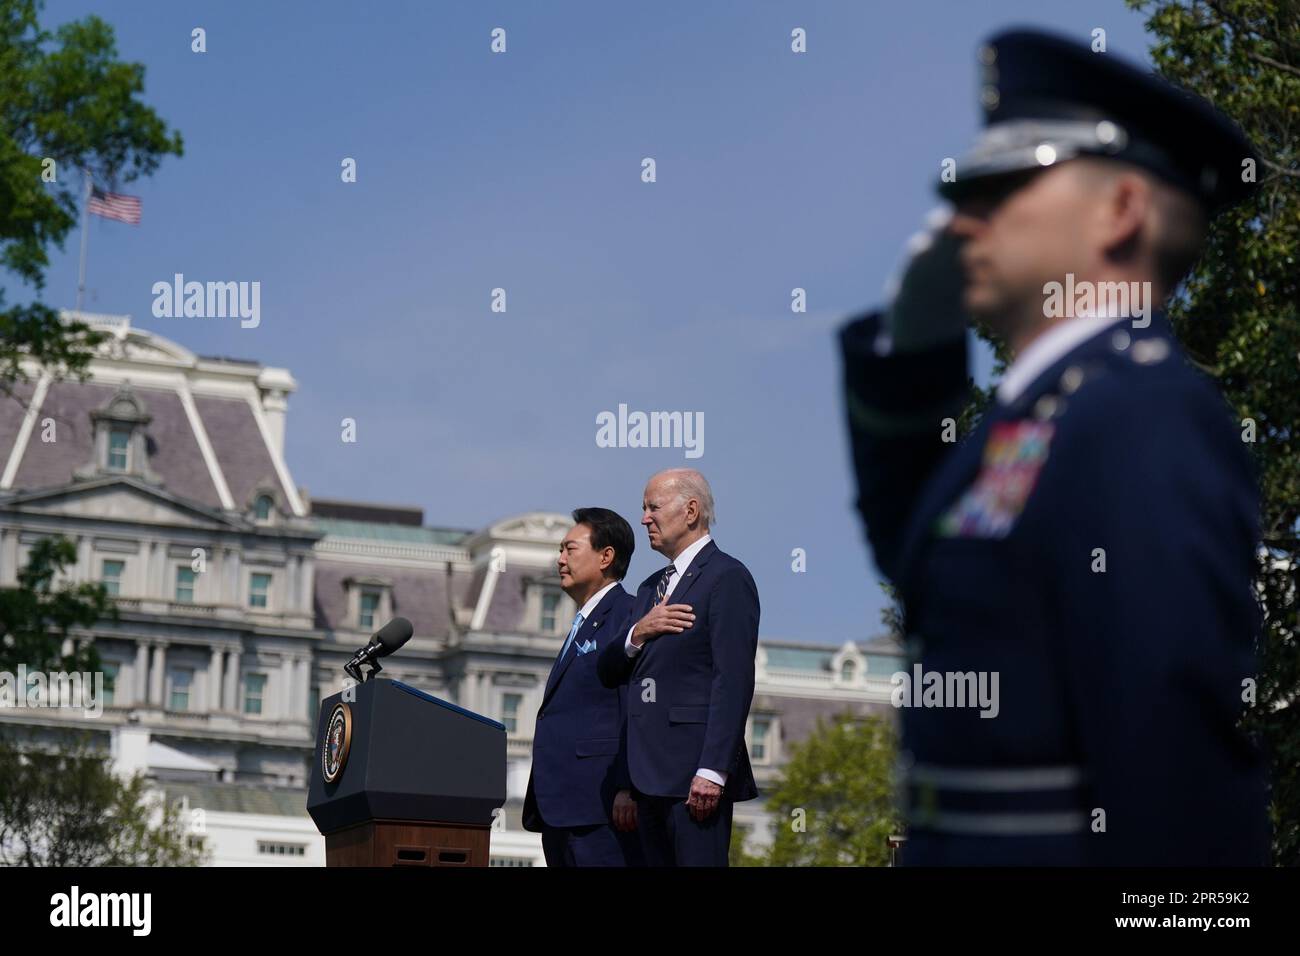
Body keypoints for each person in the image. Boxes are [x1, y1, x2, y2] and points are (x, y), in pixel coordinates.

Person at [839, 28, 1269, 865]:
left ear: (1121, 211)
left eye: (1001, 184)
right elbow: (924, 567)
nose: (961, 214)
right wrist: (913, 355)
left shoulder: (1142, 418)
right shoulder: (1045, 414)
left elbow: (1171, 773)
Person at [597, 468, 759, 866]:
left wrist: (713, 770)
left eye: (653, 507)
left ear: (691, 510)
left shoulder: (727, 577)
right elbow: (610, 672)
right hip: (644, 781)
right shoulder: (650, 588)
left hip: (693, 782)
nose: (643, 518)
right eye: (643, 508)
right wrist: (639, 631)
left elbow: (732, 681)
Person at [522, 507, 644, 866]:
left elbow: (634, 705)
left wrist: (628, 785)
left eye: (570, 549)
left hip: (602, 807)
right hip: (559, 808)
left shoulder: (629, 615)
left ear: (606, 556)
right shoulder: (581, 622)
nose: (559, 559)